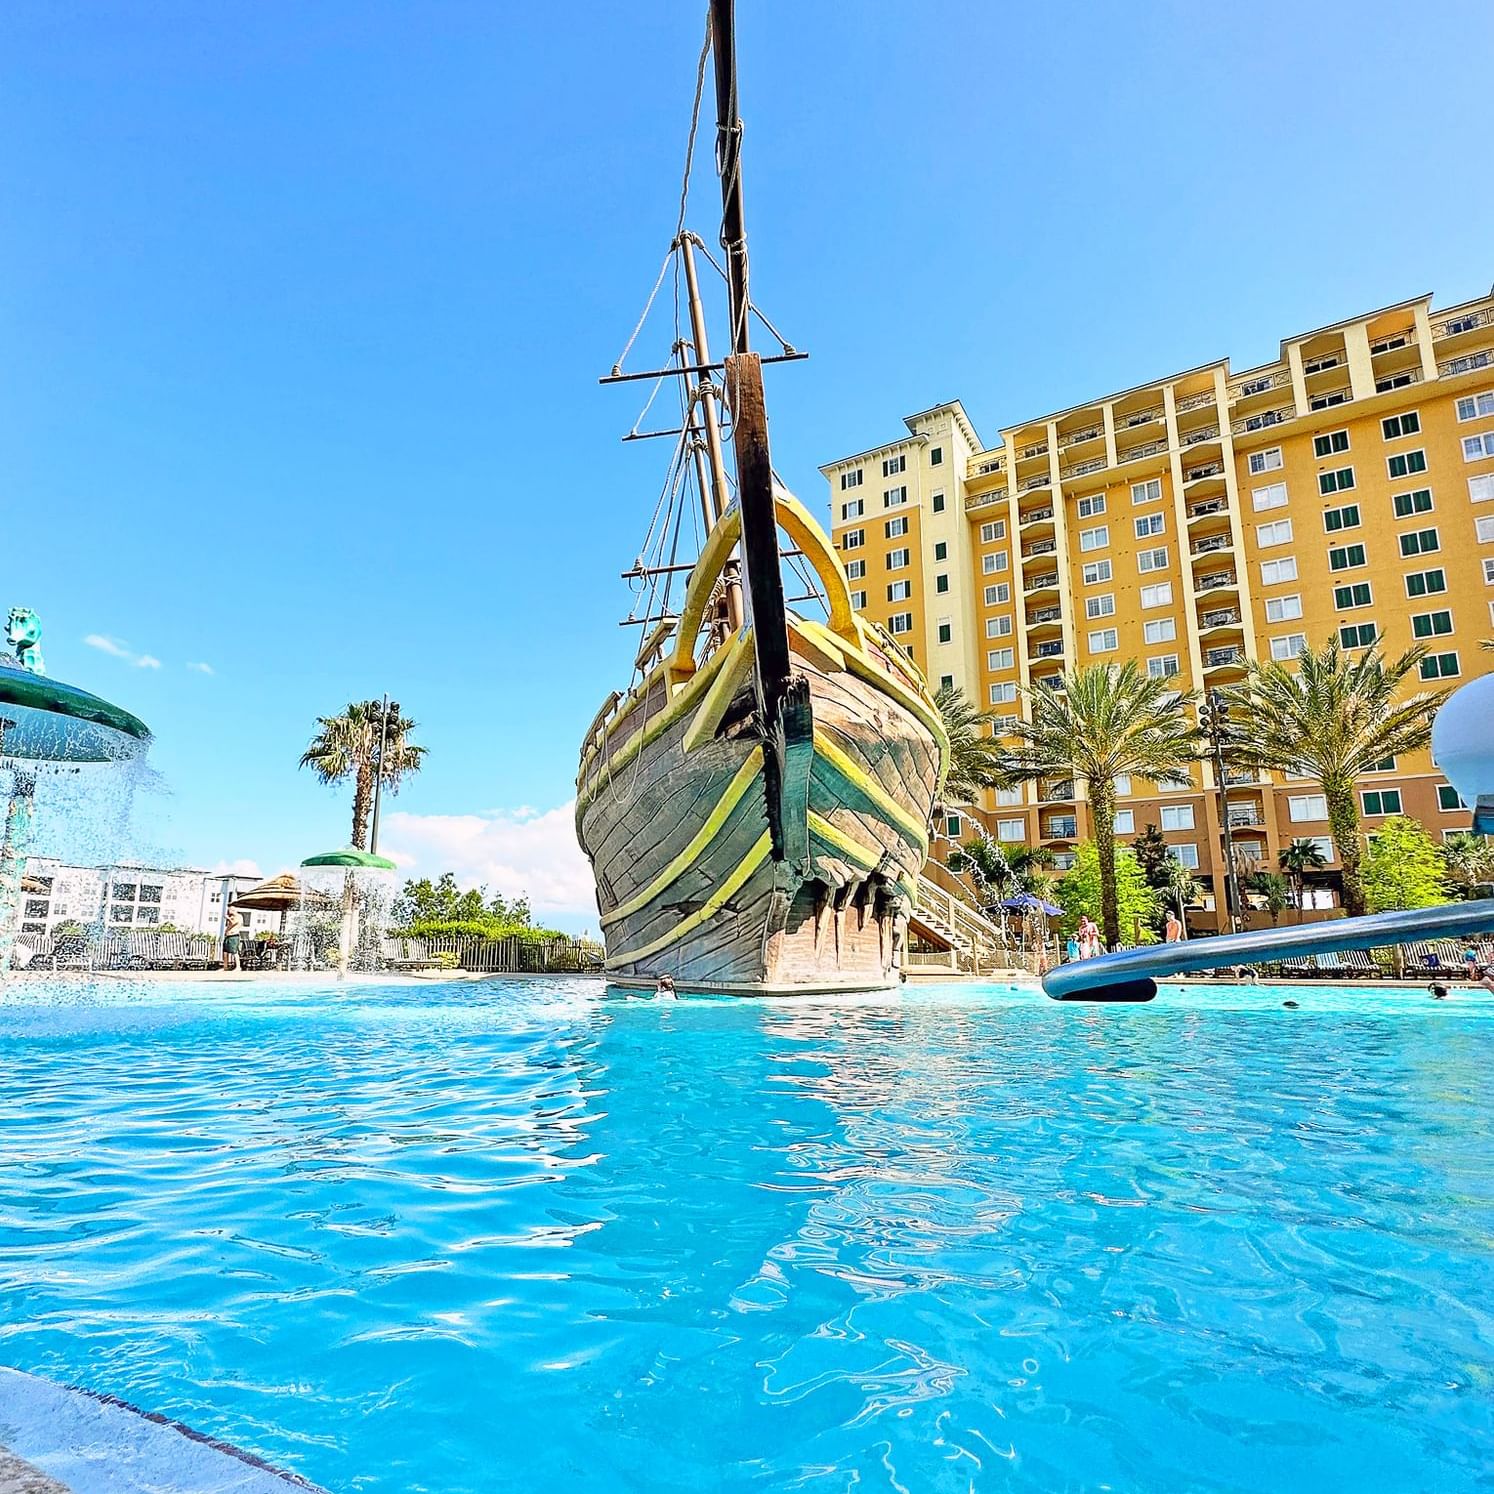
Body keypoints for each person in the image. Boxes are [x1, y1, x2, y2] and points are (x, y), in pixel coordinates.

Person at [222, 905, 244, 972]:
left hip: (234, 936)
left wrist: (228, 918)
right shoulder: (231, 917)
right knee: (225, 952)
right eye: (229, 910)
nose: (229, 911)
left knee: (234, 952)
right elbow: (229, 926)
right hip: (228, 936)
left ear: (235, 910)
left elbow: (234, 923)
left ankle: (238, 967)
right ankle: (225, 967)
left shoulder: (239, 916)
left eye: (231, 910)